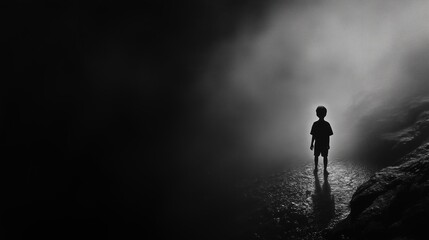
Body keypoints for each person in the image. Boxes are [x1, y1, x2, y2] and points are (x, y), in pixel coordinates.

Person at [310, 106, 333, 174]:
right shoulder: (327, 124)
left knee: (316, 156)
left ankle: (316, 167)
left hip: (317, 143)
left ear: (317, 114)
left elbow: (313, 135)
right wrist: (328, 144)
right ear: (325, 114)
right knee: (325, 156)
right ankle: (325, 169)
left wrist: (311, 144)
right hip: (324, 143)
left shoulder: (315, 124)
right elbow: (328, 136)